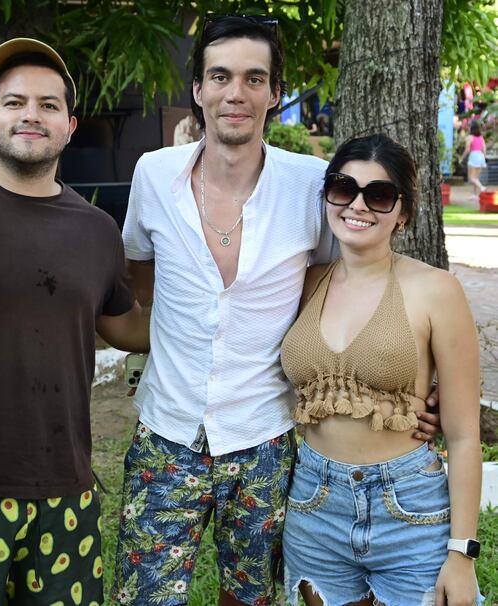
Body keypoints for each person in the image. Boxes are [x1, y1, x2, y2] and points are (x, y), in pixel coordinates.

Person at [113, 15, 439, 606]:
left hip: (265, 436)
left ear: (275, 91)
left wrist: (415, 388)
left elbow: (337, 292)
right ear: (198, 89)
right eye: (219, 76)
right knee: (143, 597)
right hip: (167, 430)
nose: (235, 93)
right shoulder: (152, 175)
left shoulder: (311, 185)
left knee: (253, 598)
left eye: (253, 78)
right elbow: (142, 278)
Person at [0, 38, 149, 605]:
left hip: (65, 487)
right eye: (15, 101)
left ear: (69, 126)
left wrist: (226, 298)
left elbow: (124, 327)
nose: (30, 115)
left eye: (48, 105)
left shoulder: (97, 229)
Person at [281, 134, 482, 606]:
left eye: (380, 195)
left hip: (409, 509)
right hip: (314, 502)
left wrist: (462, 553)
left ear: (404, 212)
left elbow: (464, 436)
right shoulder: (305, 281)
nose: (358, 205)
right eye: (343, 187)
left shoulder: (437, 290)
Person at [461, 121, 488, 202]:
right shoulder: (481, 137)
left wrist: (462, 158)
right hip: (481, 156)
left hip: (474, 156)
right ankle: (475, 195)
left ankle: (482, 188)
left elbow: (467, 149)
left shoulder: (470, 137)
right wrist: (484, 157)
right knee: (476, 177)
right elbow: (484, 148)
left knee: (471, 178)